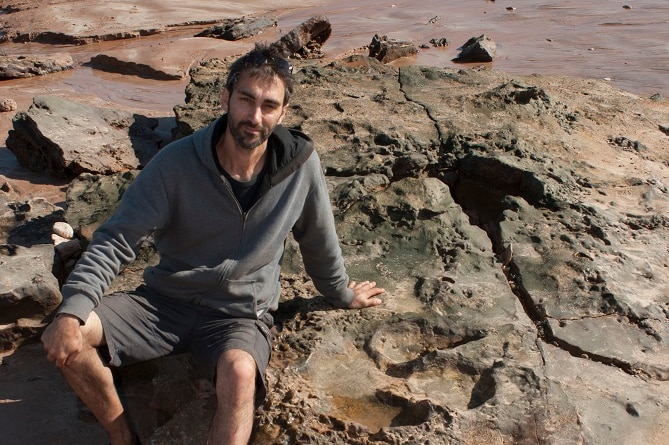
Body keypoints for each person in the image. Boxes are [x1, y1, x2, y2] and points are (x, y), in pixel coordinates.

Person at [41, 42, 385, 445]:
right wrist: (72, 309)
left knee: (240, 374)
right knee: (69, 333)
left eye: (269, 105)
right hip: (163, 303)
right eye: (246, 100)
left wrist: (341, 292)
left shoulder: (299, 164)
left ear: (283, 112)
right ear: (226, 98)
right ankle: (123, 437)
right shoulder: (175, 163)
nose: (255, 116)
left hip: (239, 315)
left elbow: (318, 238)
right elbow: (116, 240)